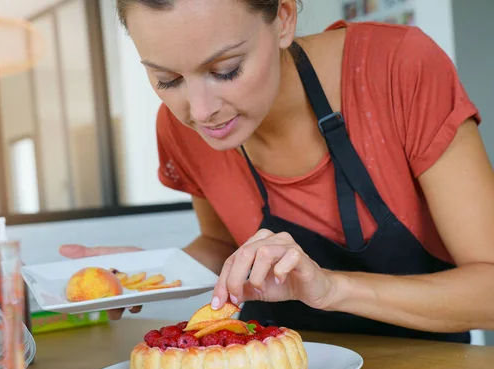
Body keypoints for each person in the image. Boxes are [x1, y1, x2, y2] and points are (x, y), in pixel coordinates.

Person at [60, 0, 494, 343]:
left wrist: (331, 289)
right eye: (167, 79)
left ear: (284, 18)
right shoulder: (178, 127)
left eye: (225, 70)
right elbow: (222, 243)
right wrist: (150, 273)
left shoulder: (398, 68)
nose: (201, 111)